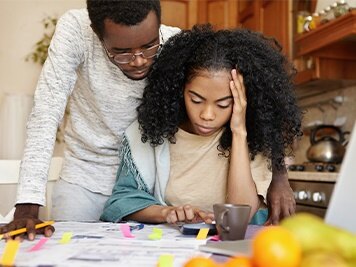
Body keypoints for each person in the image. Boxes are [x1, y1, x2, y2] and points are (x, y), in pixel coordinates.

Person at [0, 0, 180, 239]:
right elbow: (46, 111)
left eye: (149, 46)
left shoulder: (174, 43)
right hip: (83, 181)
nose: (139, 60)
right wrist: (27, 205)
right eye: (122, 52)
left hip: (145, 189)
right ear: (97, 34)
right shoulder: (77, 30)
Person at [100, 24, 303, 225]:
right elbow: (122, 200)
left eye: (223, 104)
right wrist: (167, 213)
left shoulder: (255, 136)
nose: (207, 115)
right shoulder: (150, 133)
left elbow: (239, 217)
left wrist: (239, 132)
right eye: (196, 100)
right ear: (180, 89)